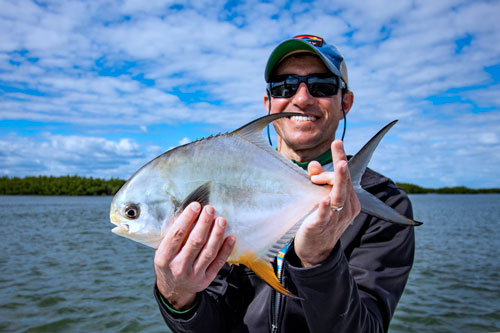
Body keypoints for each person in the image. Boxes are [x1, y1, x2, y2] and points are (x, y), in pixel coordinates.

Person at [153, 35, 415, 332]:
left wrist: (319, 262)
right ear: (269, 103)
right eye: (284, 87)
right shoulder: (227, 187)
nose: (302, 98)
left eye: (322, 86)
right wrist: (178, 295)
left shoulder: (385, 201)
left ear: (345, 103)